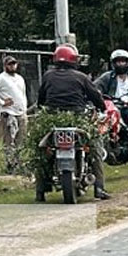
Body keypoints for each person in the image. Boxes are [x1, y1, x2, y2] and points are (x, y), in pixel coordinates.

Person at [36, 43, 109, 200]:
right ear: (73, 60)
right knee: (95, 147)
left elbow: (41, 98)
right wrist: (102, 107)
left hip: (52, 119)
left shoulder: (48, 76)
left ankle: (40, 191)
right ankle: (99, 189)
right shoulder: (81, 77)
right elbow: (95, 96)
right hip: (78, 118)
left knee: (41, 149)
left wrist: (42, 109)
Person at [95, 49, 128, 155]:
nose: (121, 64)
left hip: (127, 108)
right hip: (110, 108)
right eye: (118, 61)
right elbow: (95, 88)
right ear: (113, 63)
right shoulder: (107, 77)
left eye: (123, 61)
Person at [0, 55, 29, 174]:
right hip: (9, 113)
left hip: (21, 113)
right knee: (9, 140)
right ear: (5, 66)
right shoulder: (1, 78)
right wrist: (2, 102)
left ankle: (19, 163)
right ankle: (10, 164)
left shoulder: (20, 78)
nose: (12, 66)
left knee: (22, 139)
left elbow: (22, 94)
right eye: (9, 64)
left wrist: (24, 108)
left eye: (14, 63)